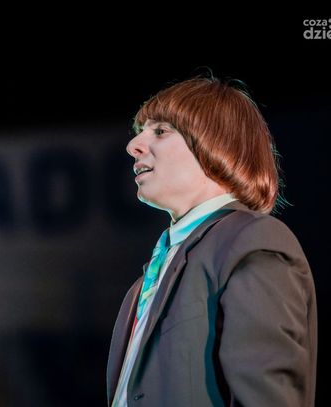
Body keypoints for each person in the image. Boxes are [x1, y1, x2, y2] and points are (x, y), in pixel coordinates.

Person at [106, 75, 317, 406]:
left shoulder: (252, 239)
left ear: (216, 144)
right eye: (140, 132)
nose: (134, 145)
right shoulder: (153, 274)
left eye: (160, 131)